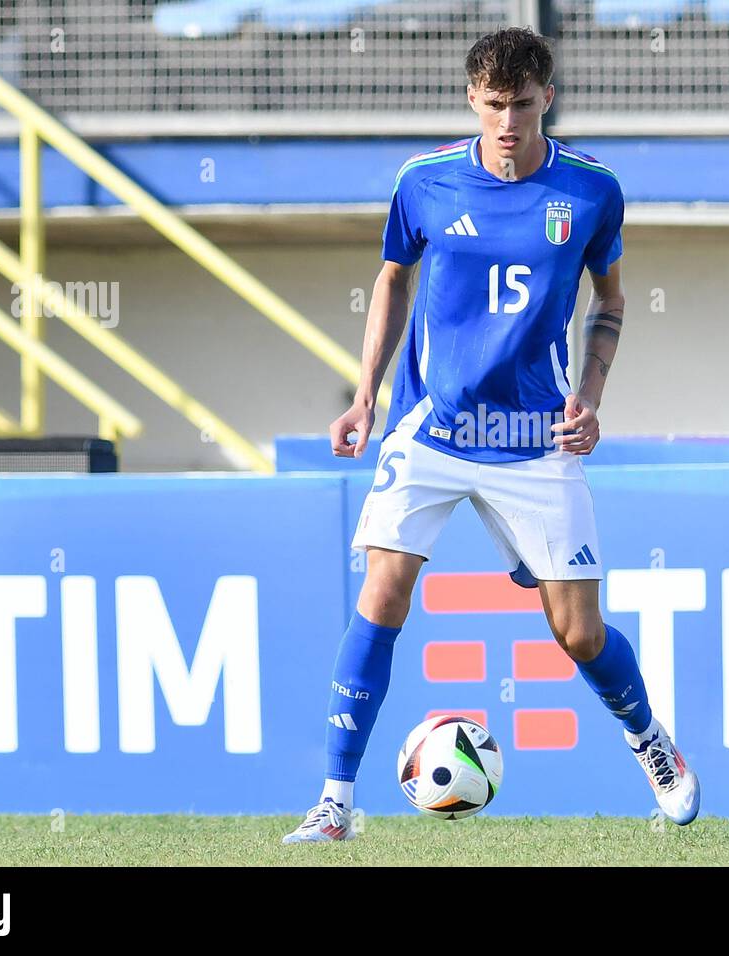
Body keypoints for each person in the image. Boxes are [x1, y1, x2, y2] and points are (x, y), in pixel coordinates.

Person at [283, 26, 699, 843]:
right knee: (382, 593)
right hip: (430, 427)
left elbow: (608, 301)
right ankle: (335, 802)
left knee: (578, 633)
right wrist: (364, 396)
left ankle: (651, 742)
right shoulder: (425, 181)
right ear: (473, 99)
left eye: (521, 103)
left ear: (548, 97)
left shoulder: (591, 192)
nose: (507, 120)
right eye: (493, 103)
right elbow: (392, 279)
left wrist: (590, 394)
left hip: (536, 436)